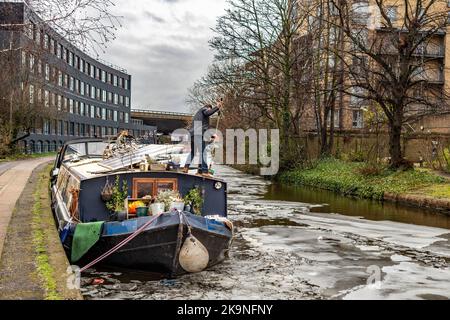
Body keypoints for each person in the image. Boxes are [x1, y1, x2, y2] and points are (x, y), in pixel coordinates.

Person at [184, 101, 223, 175]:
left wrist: (212, 136)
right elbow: (207, 113)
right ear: (208, 108)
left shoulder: (197, 116)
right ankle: (204, 171)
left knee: (193, 152)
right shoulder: (204, 109)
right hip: (198, 134)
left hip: (192, 135)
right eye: (210, 109)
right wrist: (217, 107)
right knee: (203, 152)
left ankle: (186, 167)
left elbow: (202, 128)